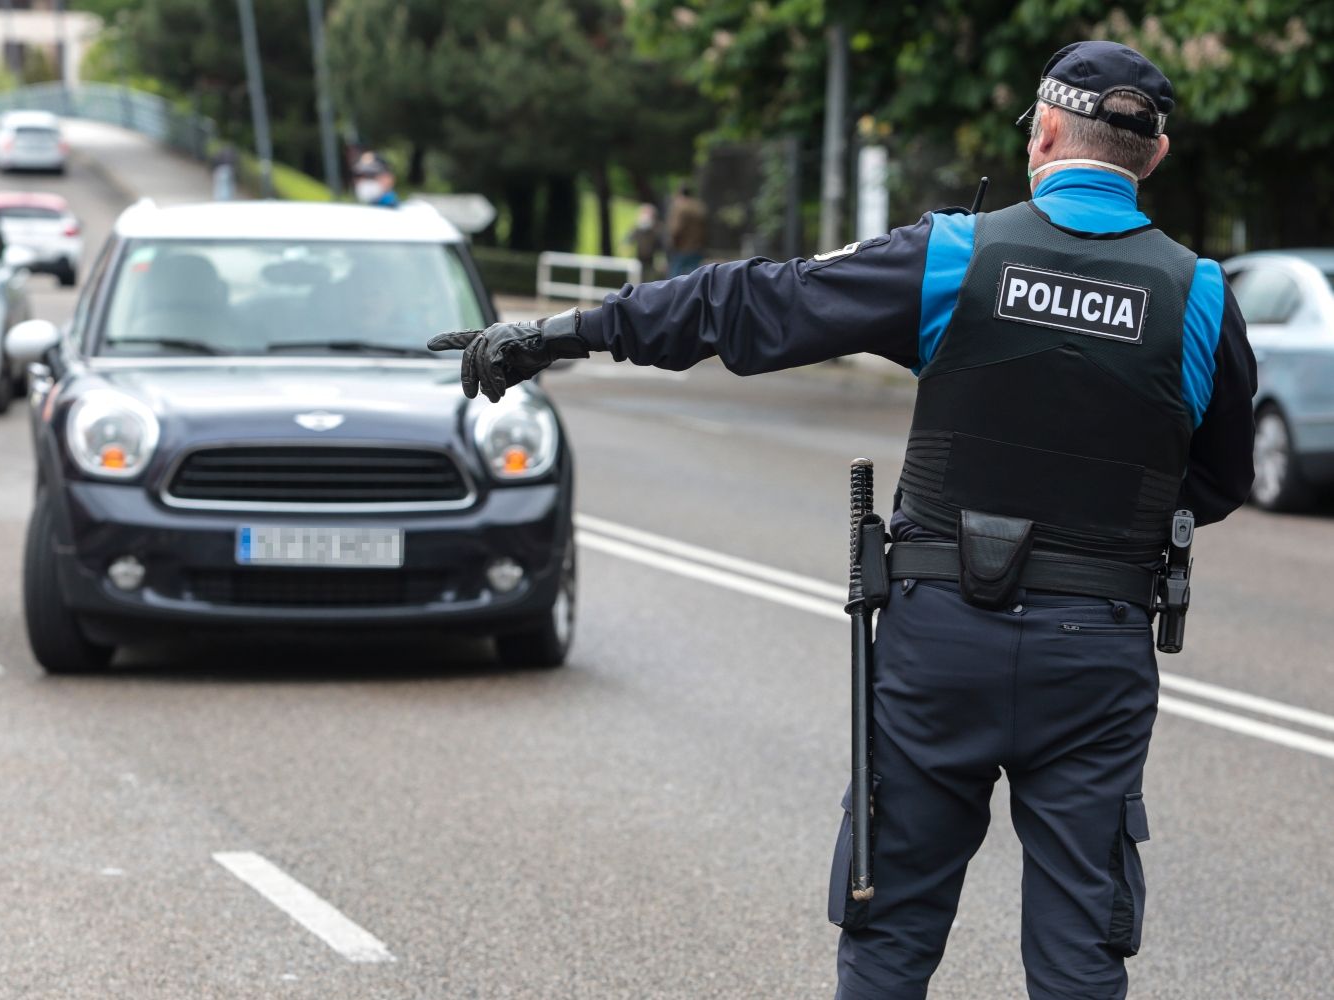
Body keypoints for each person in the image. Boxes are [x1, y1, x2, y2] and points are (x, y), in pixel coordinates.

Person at [430, 41, 1256, 1000]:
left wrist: (560, 335)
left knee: (892, 934)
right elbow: (1222, 478)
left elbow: (748, 304)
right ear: (1150, 160)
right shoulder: (1199, 294)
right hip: (1097, 654)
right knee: (1081, 954)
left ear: (1043, 134)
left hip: (940, 644)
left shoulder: (955, 255)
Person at [665, 182, 708, 277]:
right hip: (697, 247)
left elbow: (676, 229)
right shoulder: (700, 208)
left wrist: (671, 244)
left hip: (681, 248)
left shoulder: (680, 208)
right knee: (695, 276)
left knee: (674, 278)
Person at [625, 202, 664, 281]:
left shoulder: (657, 229)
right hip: (639, 259)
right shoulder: (636, 228)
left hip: (651, 261)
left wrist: (661, 259)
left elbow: (661, 246)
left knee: (650, 279)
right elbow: (629, 240)